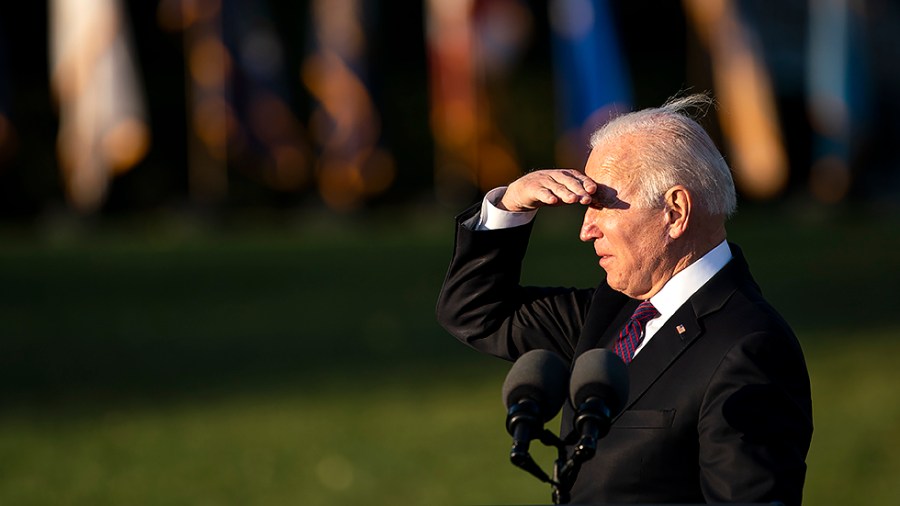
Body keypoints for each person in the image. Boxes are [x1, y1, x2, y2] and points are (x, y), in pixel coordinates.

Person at [436, 94, 813, 505]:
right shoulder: (612, 311)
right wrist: (509, 207)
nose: (586, 230)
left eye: (601, 205)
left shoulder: (751, 347)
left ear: (675, 212)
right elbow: (477, 314)